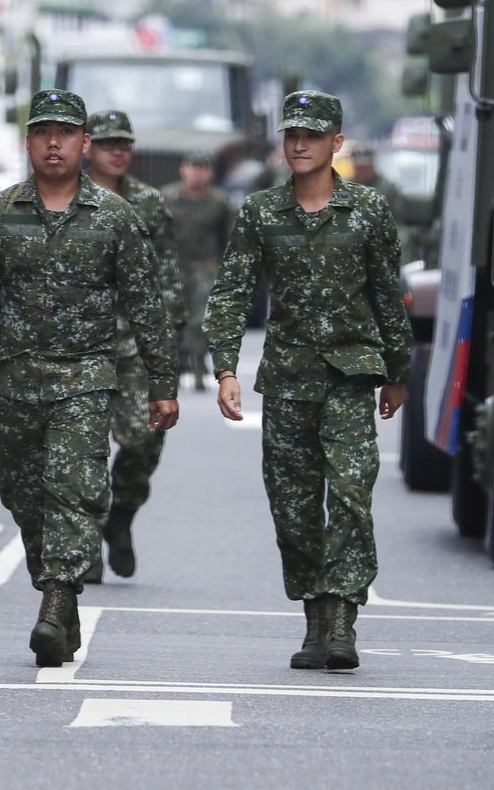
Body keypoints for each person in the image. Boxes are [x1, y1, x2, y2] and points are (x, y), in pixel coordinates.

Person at [0, 89, 180, 667]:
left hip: (86, 376)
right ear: (28, 142)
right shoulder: (0, 211)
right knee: (24, 494)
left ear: (84, 143)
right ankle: (59, 590)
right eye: (43, 132)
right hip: (16, 380)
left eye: (66, 133)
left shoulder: (115, 215)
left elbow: (147, 304)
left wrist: (162, 384)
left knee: (73, 489)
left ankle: (56, 602)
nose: (54, 143)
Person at [202, 90, 412, 671]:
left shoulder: (367, 209)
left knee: (349, 494)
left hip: (349, 377)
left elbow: (387, 295)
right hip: (288, 380)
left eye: (312, 136)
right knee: (293, 508)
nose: (299, 145)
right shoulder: (262, 212)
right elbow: (231, 293)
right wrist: (226, 369)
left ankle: (342, 619)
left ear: (335, 142)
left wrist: (397, 373)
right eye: (292, 135)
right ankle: (315, 618)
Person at [82, 109, 186, 583]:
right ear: (89, 147)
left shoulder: (148, 202)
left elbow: (168, 272)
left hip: (138, 344)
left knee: (145, 440)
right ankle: (84, 543)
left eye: (124, 144)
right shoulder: (66, 197)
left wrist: (170, 338)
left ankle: (120, 513)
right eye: (109, 144)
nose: (118, 152)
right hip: (81, 343)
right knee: (79, 448)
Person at [162, 150, 234, 390]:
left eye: (202, 168)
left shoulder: (219, 201)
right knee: (172, 319)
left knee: (201, 320)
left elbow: (227, 237)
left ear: (210, 172)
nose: (197, 173)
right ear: (183, 169)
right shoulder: (167, 197)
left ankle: (199, 363)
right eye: (193, 167)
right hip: (173, 268)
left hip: (205, 267)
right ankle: (176, 363)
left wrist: (225, 270)